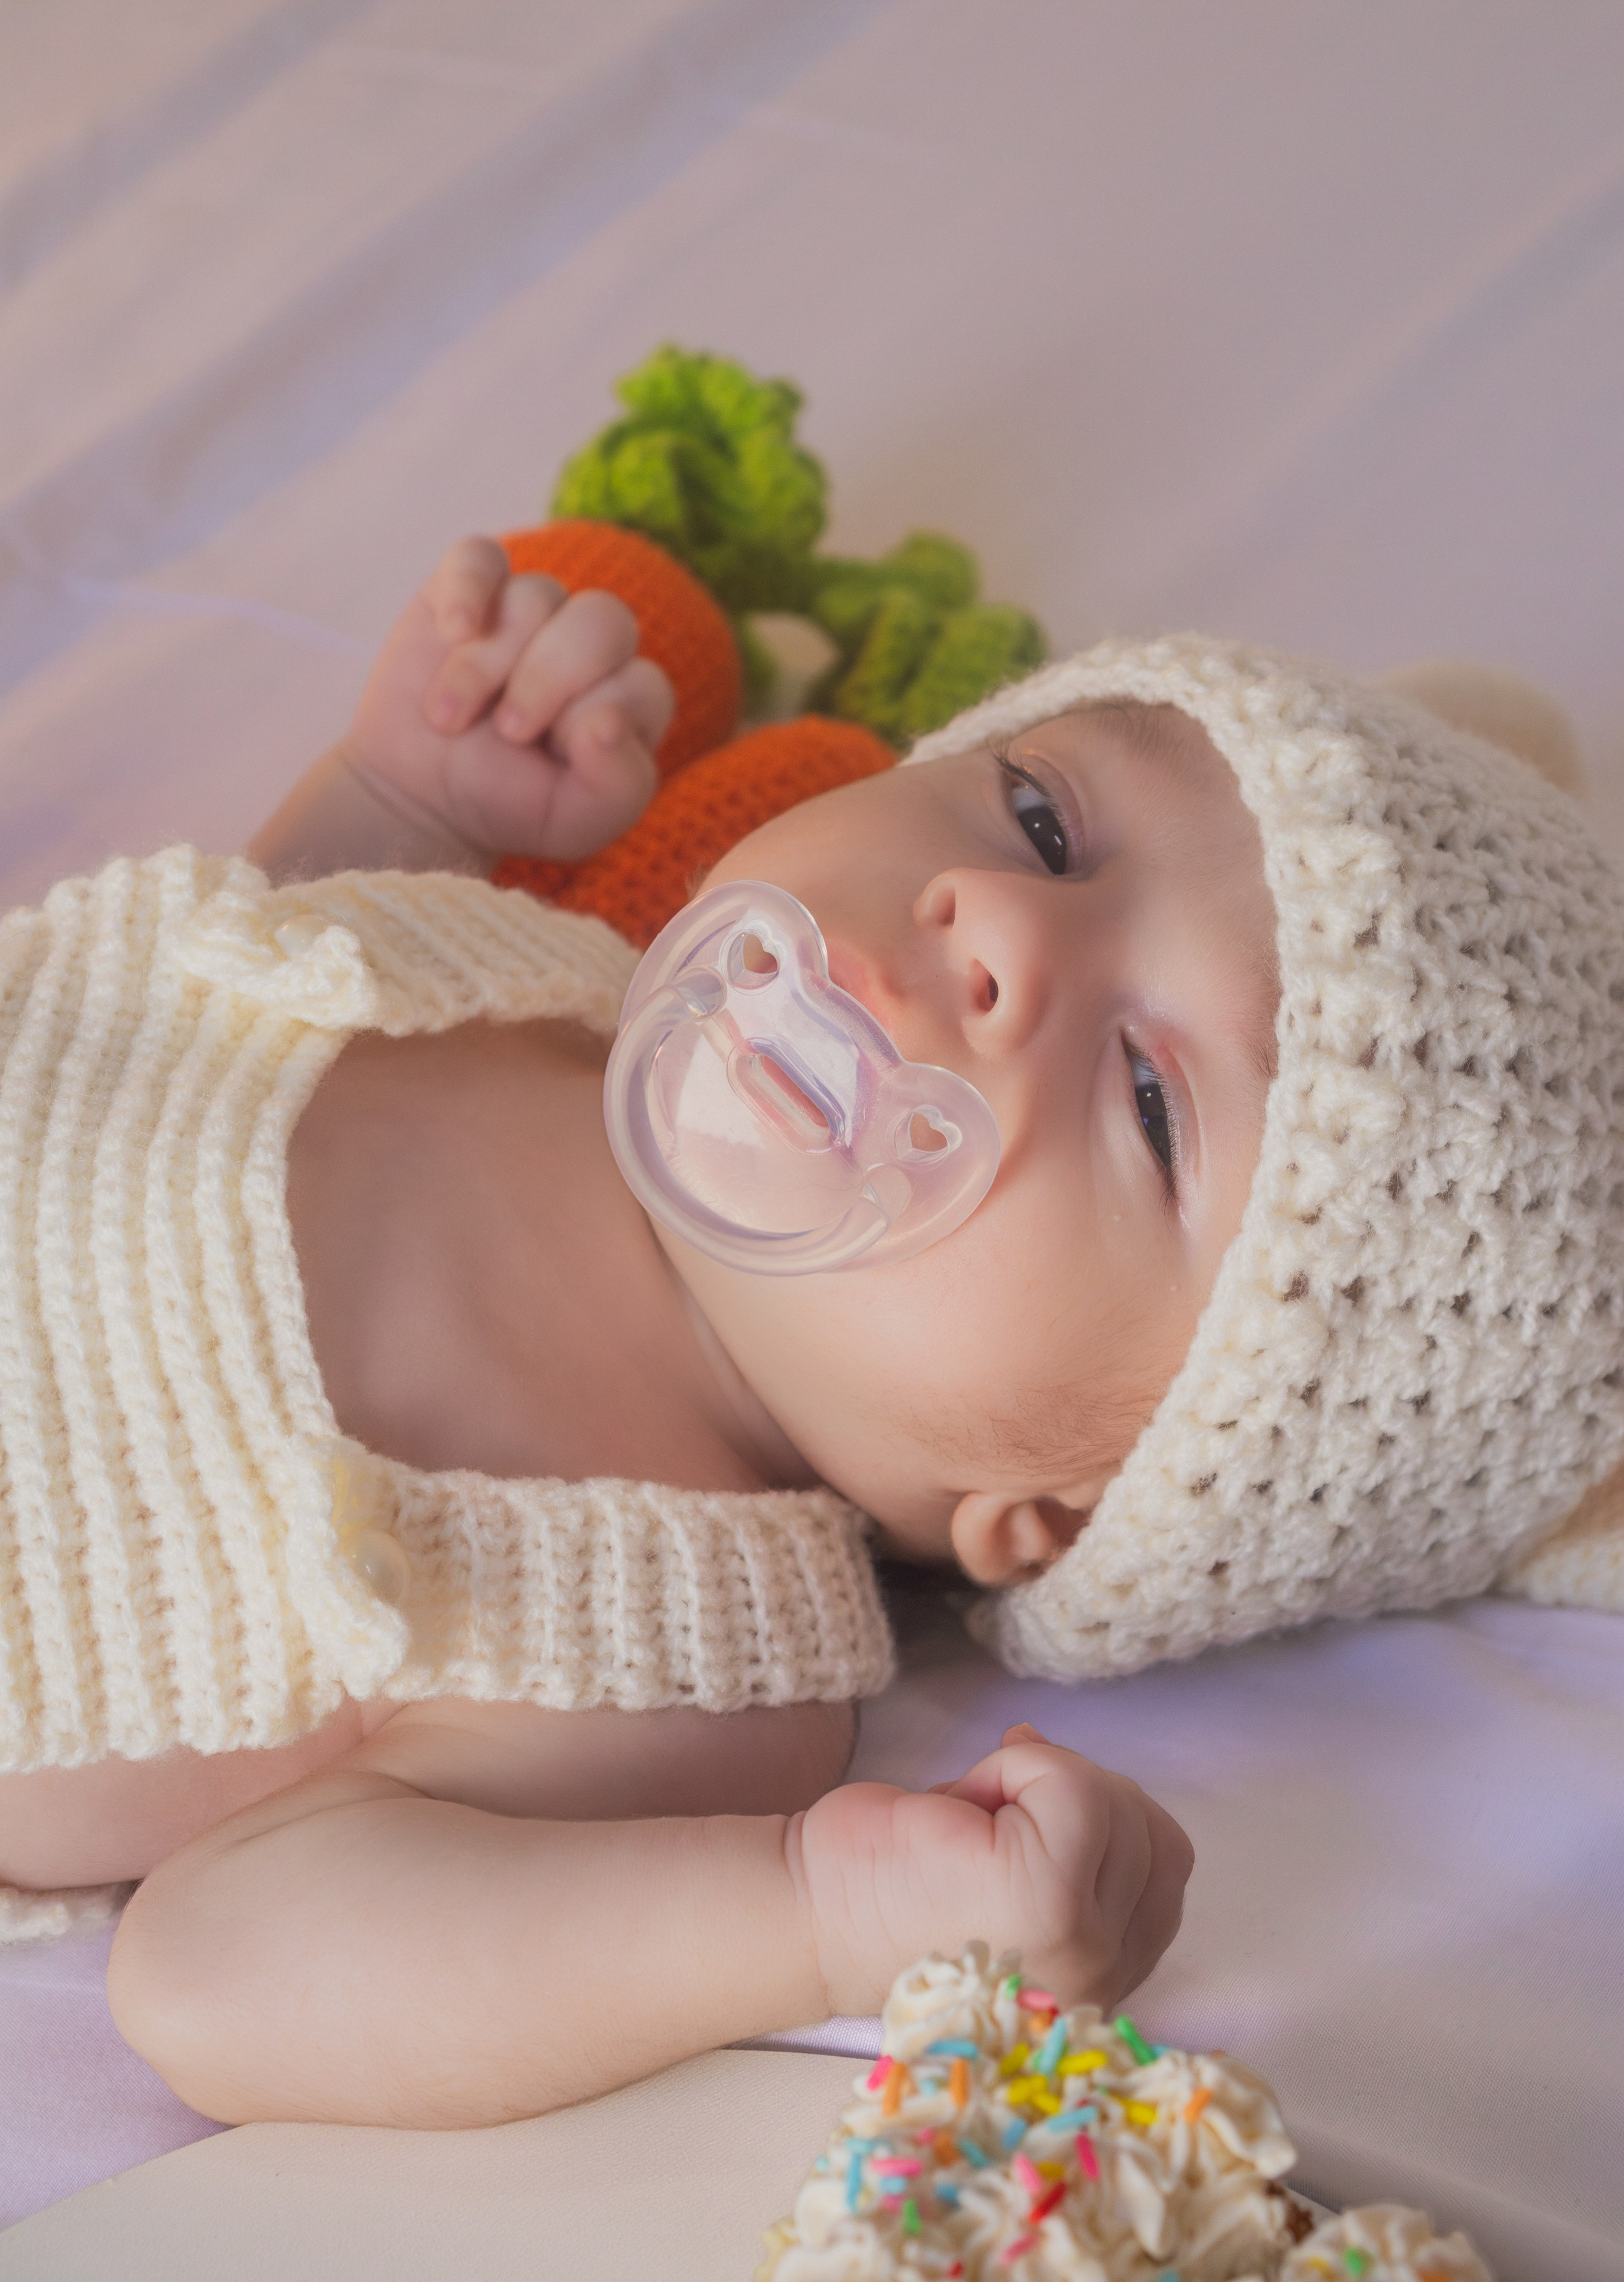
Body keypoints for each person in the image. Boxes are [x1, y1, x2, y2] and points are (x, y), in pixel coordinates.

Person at [3, 534, 1620, 2131]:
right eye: (1043, 820)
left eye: (1147, 1101)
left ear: (1062, 1514)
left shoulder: (695, 1662)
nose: (997, 924)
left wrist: (818, 1913)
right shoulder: (525, 981)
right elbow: (162, 998)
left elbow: (218, 1975)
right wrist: (400, 802)